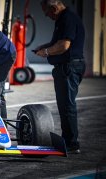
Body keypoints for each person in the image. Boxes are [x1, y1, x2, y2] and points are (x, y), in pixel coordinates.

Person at [34, 0, 85, 154]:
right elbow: (57, 42)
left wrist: (47, 52)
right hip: (68, 67)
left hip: (68, 67)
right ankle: (68, 140)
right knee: (64, 105)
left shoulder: (67, 18)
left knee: (67, 106)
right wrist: (44, 47)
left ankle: (71, 143)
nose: (48, 16)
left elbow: (64, 45)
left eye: (48, 13)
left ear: (54, 8)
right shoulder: (64, 19)